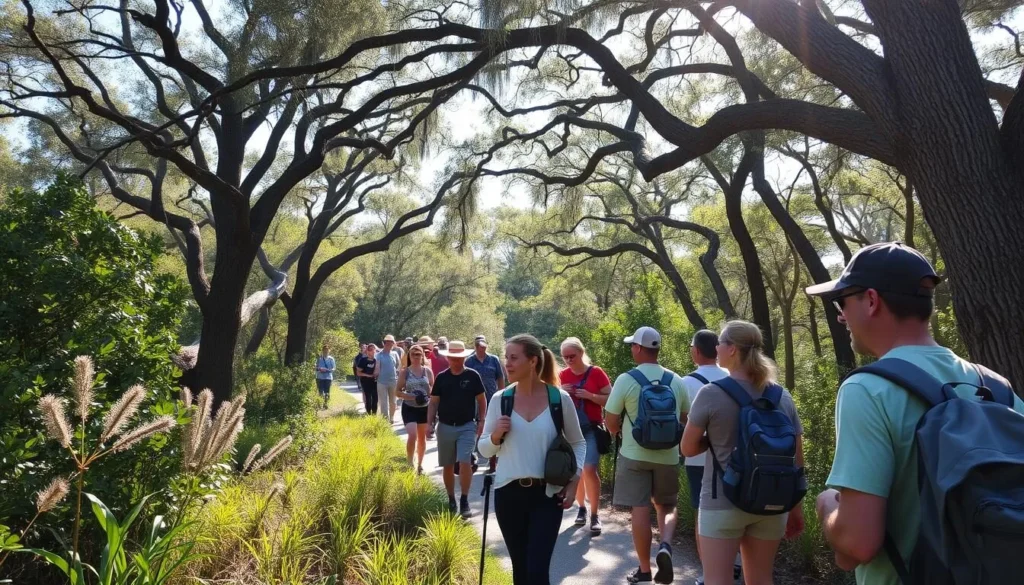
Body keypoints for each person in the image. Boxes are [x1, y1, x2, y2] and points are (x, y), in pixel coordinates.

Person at [804, 242, 1024, 585]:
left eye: (842, 301)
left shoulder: (867, 389)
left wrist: (827, 508)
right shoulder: (997, 387)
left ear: (872, 300)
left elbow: (858, 544)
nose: (840, 315)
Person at [681, 320, 805, 585]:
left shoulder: (711, 394)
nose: (716, 347)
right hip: (772, 502)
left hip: (722, 500)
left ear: (733, 349)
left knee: (717, 580)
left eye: (720, 342)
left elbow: (687, 447)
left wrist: (713, 441)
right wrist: (795, 508)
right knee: (761, 579)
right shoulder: (781, 397)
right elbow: (797, 457)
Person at [478, 334, 586, 585]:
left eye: (514, 358)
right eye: (506, 358)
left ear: (533, 361)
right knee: (521, 570)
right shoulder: (500, 399)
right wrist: (495, 436)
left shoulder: (559, 399)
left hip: (547, 496)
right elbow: (484, 450)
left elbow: (578, 442)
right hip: (508, 494)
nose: (508, 363)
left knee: (537, 571)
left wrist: (575, 480)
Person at [605, 326, 688, 584]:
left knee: (639, 509)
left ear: (640, 349)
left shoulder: (626, 379)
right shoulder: (676, 380)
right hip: (667, 455)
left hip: (633, 455)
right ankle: (665, 545)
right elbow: (685, 419)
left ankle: (643, 569)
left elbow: (610, 420)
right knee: (667, 505)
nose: (631, 349)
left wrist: (621, 432)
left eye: (633, 345)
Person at [680, 330, 733, 585]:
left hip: (697, 460)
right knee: (734, 511)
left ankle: (708, 574)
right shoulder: (732, 378)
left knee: (705, 517)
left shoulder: (686, 383)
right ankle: (733, 566)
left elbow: (682, 420)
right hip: (731, 460)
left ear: (696, 351)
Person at [427, 340, 487, 518]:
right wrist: (429, 423)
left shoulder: (473, 376)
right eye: (452, 357)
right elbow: (433, 402)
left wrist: (482, 420)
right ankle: (451, 499)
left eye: (459, 357)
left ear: (464, 357)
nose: (456, 360)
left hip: (467, 426)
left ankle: (465, 500)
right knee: (447, 464)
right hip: (445, 426)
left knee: (465, 462)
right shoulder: (442, 377)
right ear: (448, 358)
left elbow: (482, 400)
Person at [557, 336, 611, 535]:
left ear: (581, 353)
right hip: (569, 431)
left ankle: (595, 514)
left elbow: (610, 400)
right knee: (576, 471)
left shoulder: (596, 373)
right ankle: (581, 508)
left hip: (591, 429)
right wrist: (560, 391)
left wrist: (590, 396)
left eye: (572, 356)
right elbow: (550, 400)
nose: (569, 360)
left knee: (589, 468)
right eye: (565, 357)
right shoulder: (562, 375)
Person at [466, 335, 507, 472]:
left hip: (492, 397)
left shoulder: (493, 359)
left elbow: (500, 377)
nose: (483, 349)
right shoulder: (470, 361)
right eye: (481, 347)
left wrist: (502, 393)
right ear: (476, 347)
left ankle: (493, 463)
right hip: (474, 399)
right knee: (476, 427)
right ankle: (472, 458)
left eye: (485, 347)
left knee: (493, 427)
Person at [396, 344, 434, 475]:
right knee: (412, 435)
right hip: (409, 408)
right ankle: (409, 462)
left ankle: (420, 465)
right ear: (409, 356)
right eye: (413, 354)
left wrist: (426, 395)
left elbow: (432, 390)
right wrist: (410, 396)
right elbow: (397, 392)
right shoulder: (404, 372)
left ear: (422, 356)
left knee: (422, 438)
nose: (416, 357)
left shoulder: (427, 371)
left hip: (424, 408)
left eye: (419, 354)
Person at [375, 334, 401, 423]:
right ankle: (385, 420)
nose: (389, 345)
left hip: (393, 381)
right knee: (383, 402)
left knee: (393, 402)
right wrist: (375, 374)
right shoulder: (379, 355)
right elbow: (377, 366)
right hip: (381, 381)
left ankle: (392, 417)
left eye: (391, 343)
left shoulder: (395, 354)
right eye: (388, 343)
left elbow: (398, 366)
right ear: (384, 344)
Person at [356, 344, 379, 415]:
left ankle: (374, 413)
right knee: (368, 398)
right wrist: (368, 375)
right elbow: (358, 373)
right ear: (367, 351)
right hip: (365, 381)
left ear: (375, 350)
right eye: (370, 350)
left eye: (373, 349)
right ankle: (368, 413)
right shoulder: (363, 360)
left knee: (375, 398)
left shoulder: (377, 360)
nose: (371, 351)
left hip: (375, 381)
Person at [314, 343, 336, 410]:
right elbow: (315, 367)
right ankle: (320, 404)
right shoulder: (319, 359)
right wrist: (319, 369)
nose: (326, 351)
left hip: (328, 377)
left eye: (327, 350)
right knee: (320, 391)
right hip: (319, 377)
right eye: (324, 350)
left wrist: (328, 370)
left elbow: (334, 368)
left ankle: (325, 404)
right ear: (322, 351)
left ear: (329, 351)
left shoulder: (331, 359)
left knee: (327, 391)